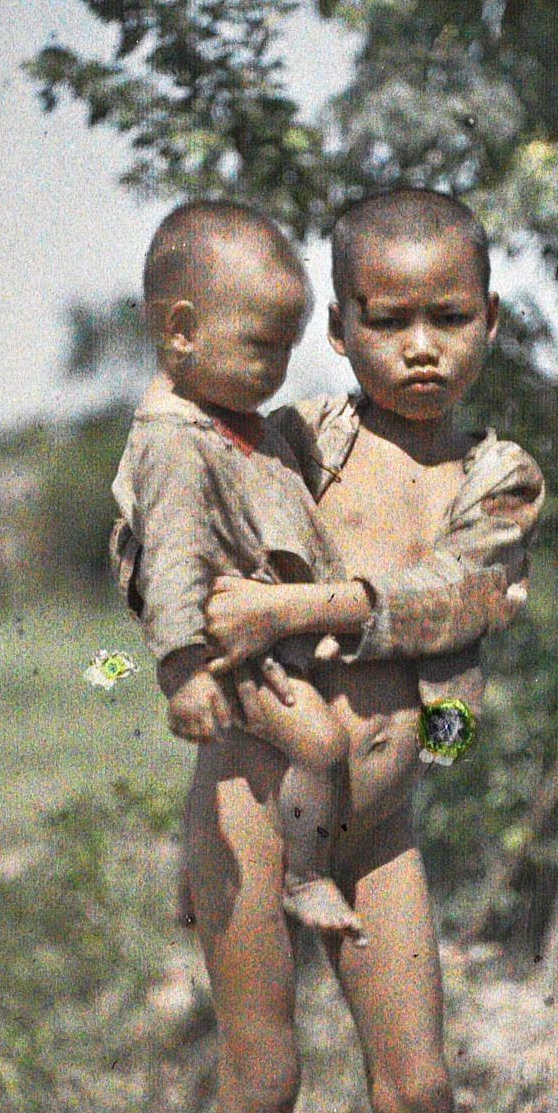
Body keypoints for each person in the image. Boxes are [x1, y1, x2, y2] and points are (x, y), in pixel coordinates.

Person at [188, 188, 544, 1113]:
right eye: (387, 320)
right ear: (337, 328)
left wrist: (305, 606)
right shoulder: (293, 440)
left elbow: (457, 596)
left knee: (419, 1091)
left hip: (379, 830)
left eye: (450, 315)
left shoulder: (495, 474)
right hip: (252, 808)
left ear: (491, 319)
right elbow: (168, 528)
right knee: (265, 1078)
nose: (421, 346)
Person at [111, 199, 371, 941]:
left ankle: (200, 876)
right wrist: (183, 671)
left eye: (285, 352)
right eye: (259, 348)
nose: (275, 372)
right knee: (321, 744)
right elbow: (169, 561)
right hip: (226, 654)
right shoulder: (173, 443)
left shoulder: (227, 421)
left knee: (243, 769)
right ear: (181, 330)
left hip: (261, 634)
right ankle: (306, 875)